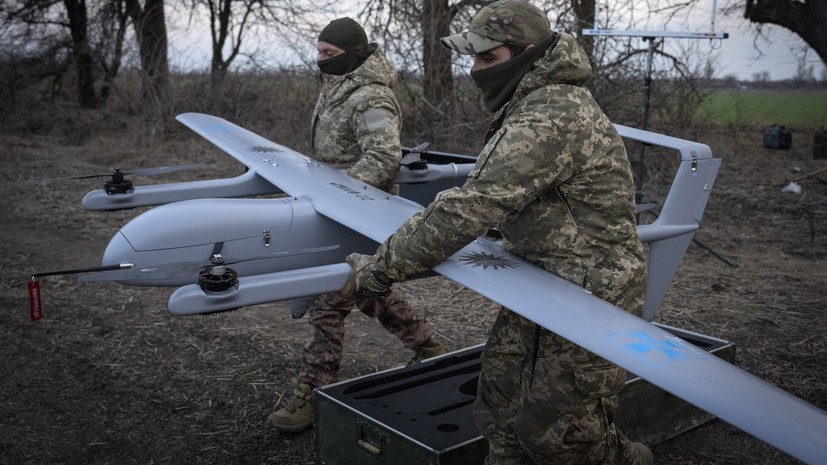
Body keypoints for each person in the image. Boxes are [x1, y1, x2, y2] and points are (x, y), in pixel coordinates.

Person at [341, 1, 654, 464]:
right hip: (541, 280)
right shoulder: (531, 100)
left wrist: (380, 269)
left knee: (559, 435)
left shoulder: (549, 115)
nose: (474, 70)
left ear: (526, 54)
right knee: (499, 409)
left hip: (591, 292)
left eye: (487, 59)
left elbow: (472, 205)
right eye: (473, 57)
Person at [266, 17, 448, 433]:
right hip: (333, 211)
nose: (320, 60)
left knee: (329, 301)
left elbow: (383, 157)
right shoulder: (337, 87)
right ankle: (429, 347)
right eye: (319, 52)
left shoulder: (371, 98)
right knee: (367, 291)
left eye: (329, 54)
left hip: (359, 213)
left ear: (351, 53)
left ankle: (310, 391)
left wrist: (336, 190)